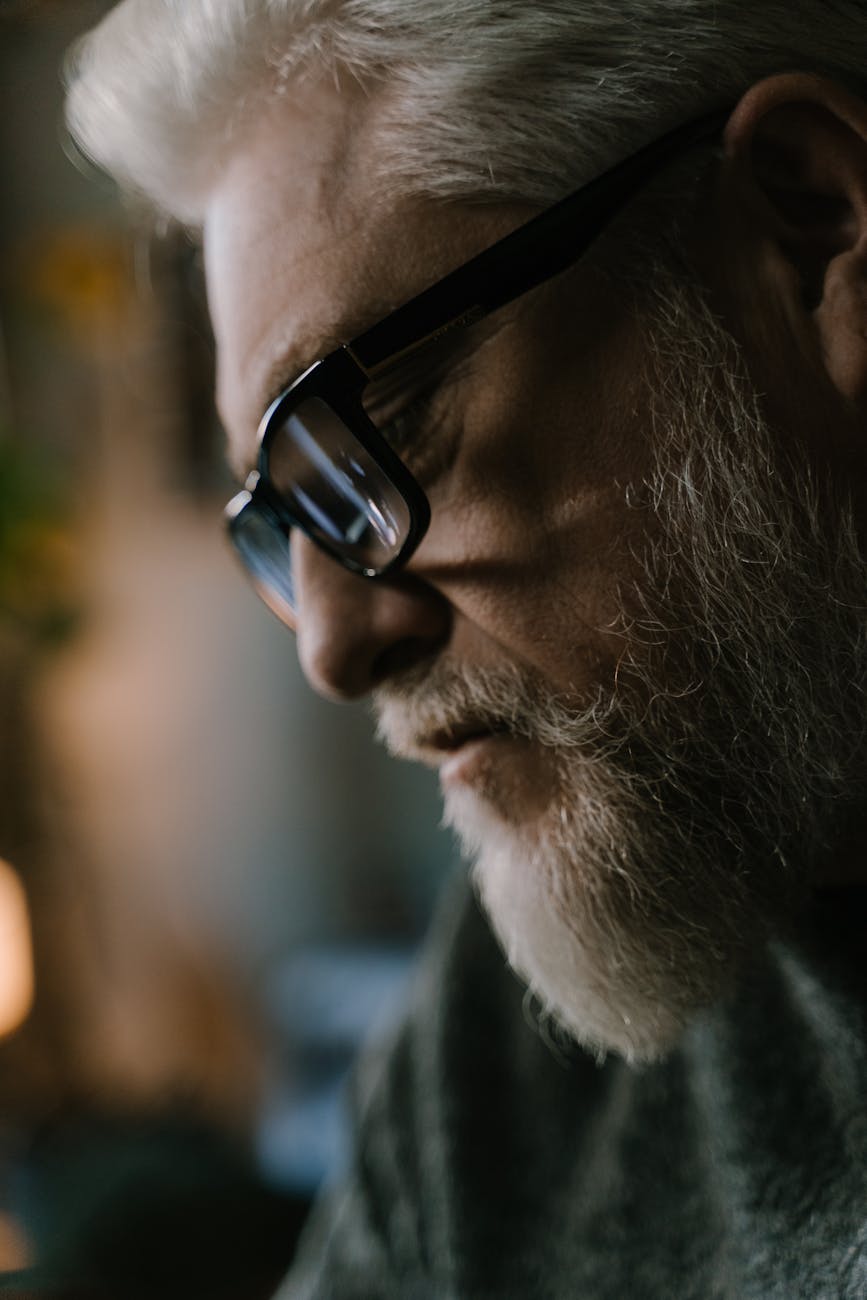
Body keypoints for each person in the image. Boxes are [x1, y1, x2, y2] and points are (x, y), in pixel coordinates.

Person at [64, 2, 867, 1295]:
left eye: (378, 430)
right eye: (282, 513)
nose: (332, 645)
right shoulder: (504, 1044)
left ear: (809, 227)